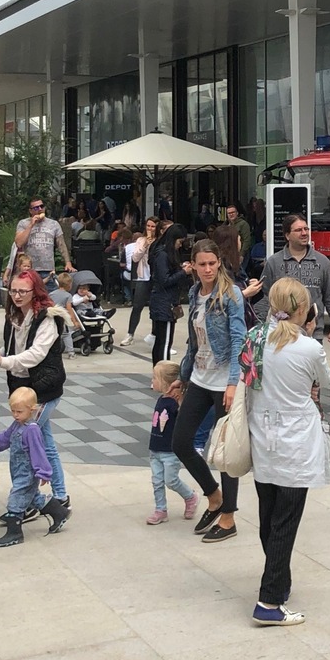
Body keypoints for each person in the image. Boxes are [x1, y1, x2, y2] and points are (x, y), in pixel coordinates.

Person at [246, 277, 330, 626]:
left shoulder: (254, 339)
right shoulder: (309, 347)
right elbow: (323, 380)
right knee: (286, 521)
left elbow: (249, 379)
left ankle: (278, 583)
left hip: (261, 435)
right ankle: (268, 601)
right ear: (303, 309)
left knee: (269, 516)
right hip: (296, 440)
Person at [0, 269, 73, 518]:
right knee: (45, 442)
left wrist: (4, 361)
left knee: (24, 442)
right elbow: (9, 349)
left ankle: (31, 501)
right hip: (25, 389)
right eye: (14, 290)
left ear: (35, 292)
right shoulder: (15, 316)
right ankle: (60, 498)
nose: (17, 296)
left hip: (43, 390)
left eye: (22, 291)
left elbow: (34, 355)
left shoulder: (48, 318)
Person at [171, 239, 247, 543]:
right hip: (201, 378)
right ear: (193, 264)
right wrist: (183, 376)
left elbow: (238, 341)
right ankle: (214, 496)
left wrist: (232, 383)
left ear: (219, 262)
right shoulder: (194, 293)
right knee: (181, 441)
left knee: (225, 451)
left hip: (224, 382)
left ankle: (229, 517)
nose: (207, 270)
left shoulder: (231, 295)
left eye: (212, 264)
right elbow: (195, 340)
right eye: (201, 264)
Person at [0, 386, 70, 546]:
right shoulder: (16, 425)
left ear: (31, 410)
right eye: (13, 411)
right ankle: (59, 512)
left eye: (19, 412)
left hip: (28, 472)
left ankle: (15, 533)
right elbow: (4, 439)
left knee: (17, 498)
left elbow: (39, 452)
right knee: (33, 498)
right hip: (18, 470)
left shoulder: (32, 430)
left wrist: (43, 472)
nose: (15, 415)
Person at [256, 213, 330, 344]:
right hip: (281, 333)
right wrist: (261, 326)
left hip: (313, 333)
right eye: (298, 230)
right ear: (287, 235)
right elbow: (265, 297)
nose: (304, 233)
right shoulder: (274, 262)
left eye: (306, 229)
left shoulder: (322, 262)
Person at [146, 360, 199, 525]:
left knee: (171, 480)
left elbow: (186, 419)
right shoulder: (161, 399)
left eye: (155, 378)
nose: (152, 381)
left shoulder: (176, 402)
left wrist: (181, 400)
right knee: (157, 481)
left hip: (170, 451)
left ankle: (190, 497)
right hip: (155, 449)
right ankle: (160, 509)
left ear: (166, 382)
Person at [148, 223, 193, 364]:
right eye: (179, 242)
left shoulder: (161, 253)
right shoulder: (163, 254)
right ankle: (164, 374)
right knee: (165, 342)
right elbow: (165, 280)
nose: (180, 245)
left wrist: (180, 268)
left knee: (160, 341)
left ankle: (158, 373)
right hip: (165, 302)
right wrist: (183, 272)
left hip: (162, 301)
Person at [13, 196, 74, 291]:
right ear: (31, 211)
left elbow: (61, 244)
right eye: (36, 208)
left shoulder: (53, 224)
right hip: (30, 269)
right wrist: (31, 225)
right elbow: (19, 243)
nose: (40, 209)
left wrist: (68, 262)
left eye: (42, 206)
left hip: (48, 269)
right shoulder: (23, 223)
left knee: (51, 298)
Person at [120, 218, 158, 346]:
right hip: (143, 276)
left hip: (156, 277)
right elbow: (135, 257)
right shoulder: (141, 240)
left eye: (153, 226)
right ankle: (130, 334)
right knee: (137, 306)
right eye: (148, 226)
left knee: (156, 307)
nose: (150, 229)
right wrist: (145, 245)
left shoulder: (160, 241)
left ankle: (155, 334)